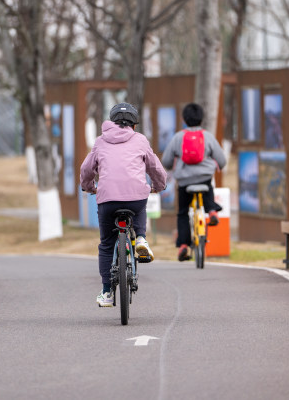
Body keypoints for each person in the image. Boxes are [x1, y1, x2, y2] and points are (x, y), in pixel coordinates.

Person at [80, 102, 167, 307]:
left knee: (107, 244)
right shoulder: (141, 140)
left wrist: (89, 187)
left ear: (112, 121)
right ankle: (142, 239)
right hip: (136, 197)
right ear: (134, 125)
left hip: (108, 199)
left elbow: (87, 169)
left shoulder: (100, 142)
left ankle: (107, 292)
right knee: (139, 203)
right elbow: (154, 166)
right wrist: (158, 185)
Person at [161, 103, 227, 262]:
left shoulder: (178, 137)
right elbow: (222, 160)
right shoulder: (208, 136)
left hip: (184, 181)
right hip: (204, 177)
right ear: (201, 119)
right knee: (207, 188)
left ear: (184, 119)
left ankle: (183, 245)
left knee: (183, 212)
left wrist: (171, 166)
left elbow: (166, 161)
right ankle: (211, 211)